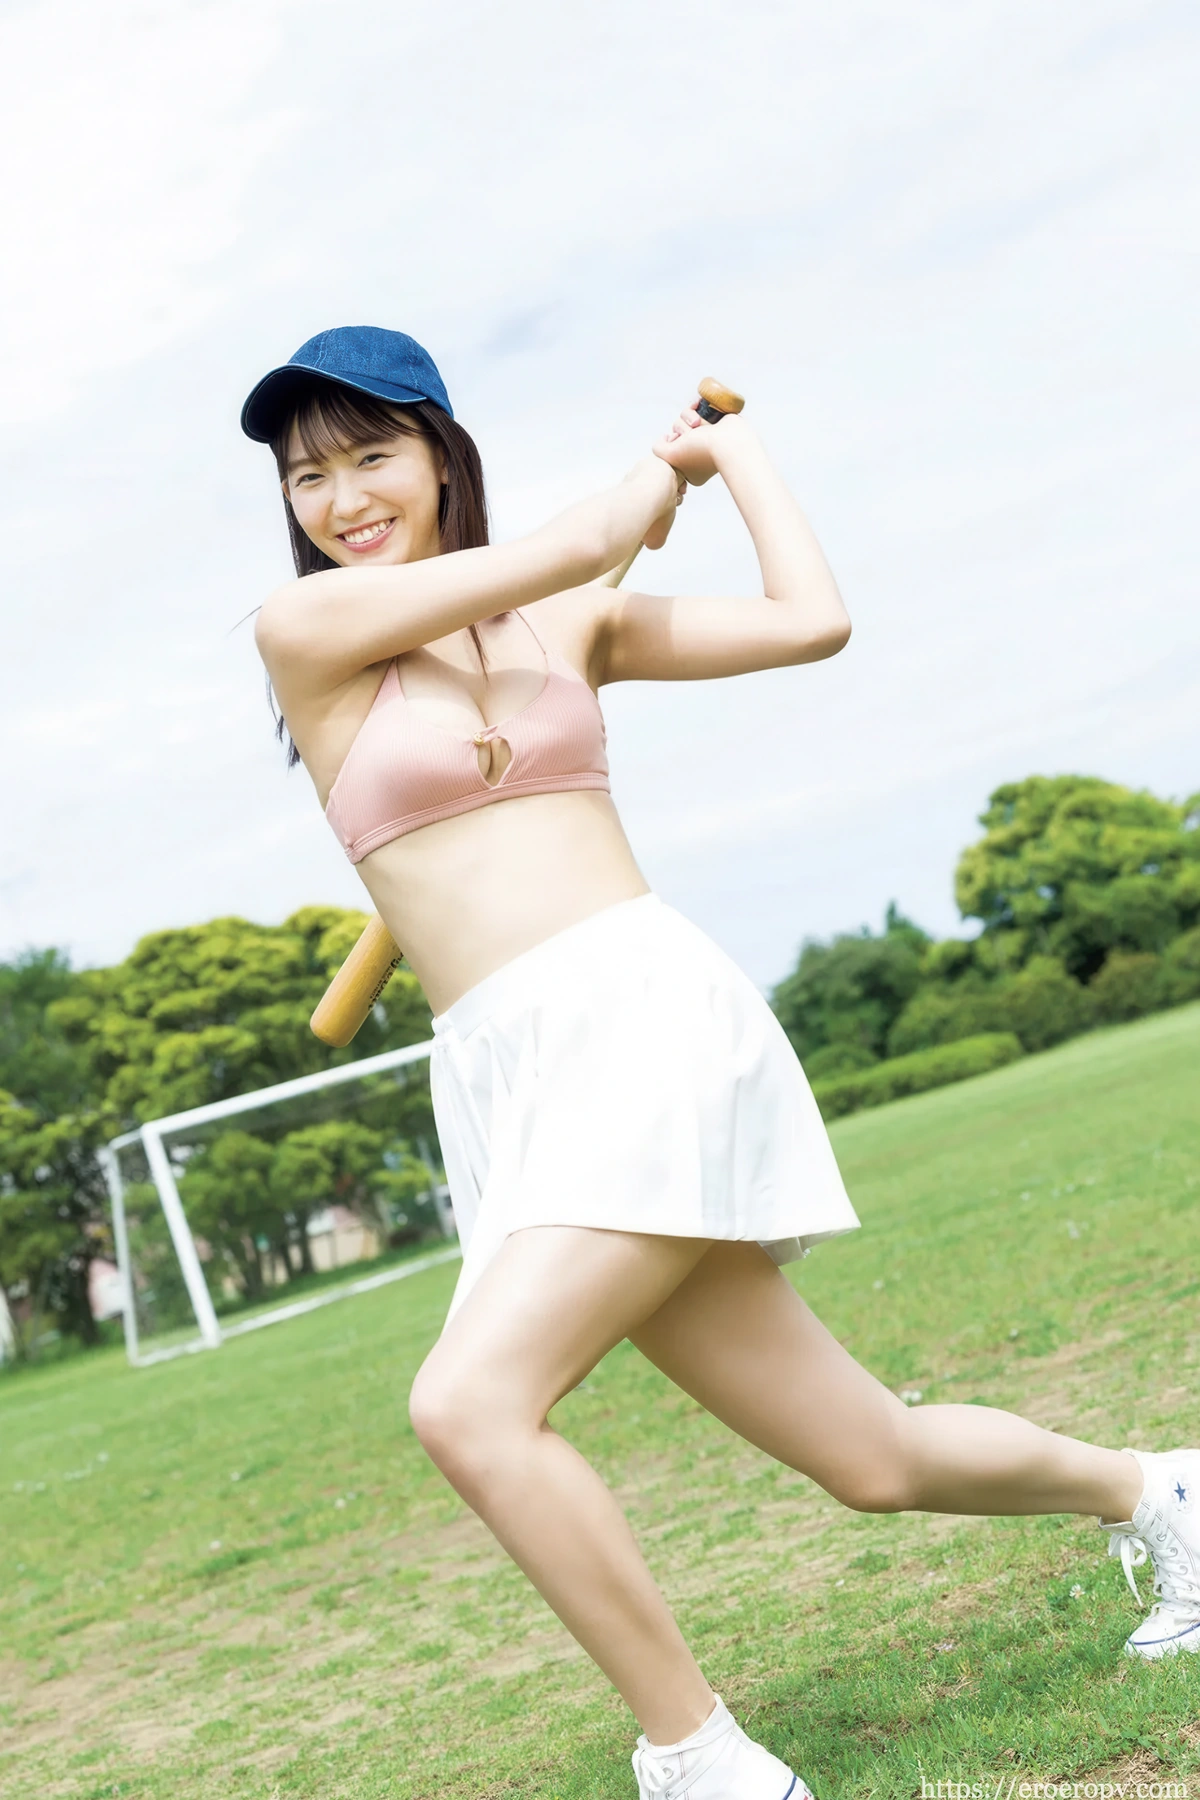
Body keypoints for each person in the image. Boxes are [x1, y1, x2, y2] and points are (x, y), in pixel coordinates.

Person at [242, 326, 1200, 1800]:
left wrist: (727, 455)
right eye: (309, 477)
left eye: (372, 455)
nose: (342, 499)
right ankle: (1163, 1493)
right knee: (870, 1458)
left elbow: (812, 620)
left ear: (440, 455)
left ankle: (697, 1759)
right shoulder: (306, 634)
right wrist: (634, 497)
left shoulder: (574, 626)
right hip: (507, 1071)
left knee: (470, 1404)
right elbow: (576, 539)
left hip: (640, 1016)